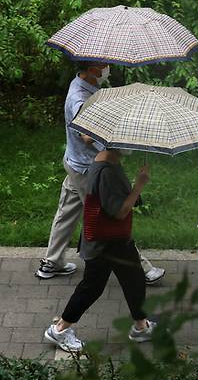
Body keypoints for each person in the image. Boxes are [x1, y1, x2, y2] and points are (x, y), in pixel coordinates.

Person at [36, 61, 165, 284]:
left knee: (66, 213)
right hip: (88, 169)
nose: (108, 68)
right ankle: (141, 270)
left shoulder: (85, 85)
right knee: (111, 219)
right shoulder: (79, 97)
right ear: (92, 69)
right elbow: (85, 135)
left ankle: (52, 262)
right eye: (104, 65)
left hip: (75, 163)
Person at [44, 148, 156, 351]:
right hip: (106, 242)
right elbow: (119, 212)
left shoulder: (107, 160)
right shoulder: (107, 172)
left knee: (135, 279)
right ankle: (60, 329)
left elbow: (112, 198)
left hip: (114, 240)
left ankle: (141, 326)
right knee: (92, 287)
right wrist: (139, 186)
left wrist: (131, 189)